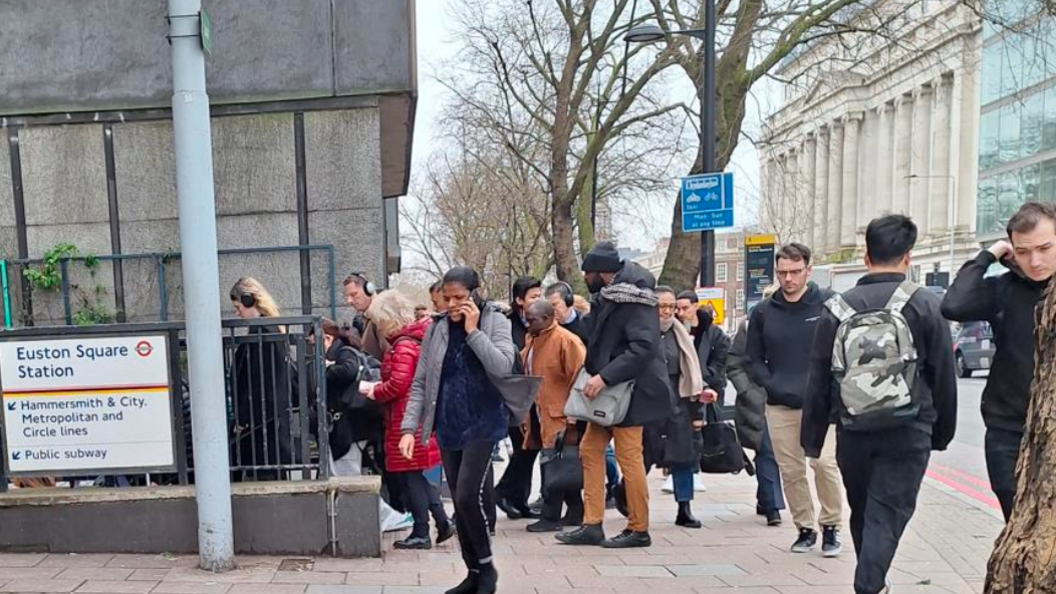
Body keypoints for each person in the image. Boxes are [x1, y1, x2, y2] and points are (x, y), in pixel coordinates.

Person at [804, 215, 957, 594]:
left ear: (866, 255)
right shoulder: (923, 303)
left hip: (854, 429)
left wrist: (813, 437)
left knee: (866, 510)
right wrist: (941, 431)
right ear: (908, 256)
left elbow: (819, 375)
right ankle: (869, 584)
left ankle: (873, 582)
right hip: (909, 428)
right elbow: (943, 374)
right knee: (888, 512)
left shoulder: (837, 308)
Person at [401, 266, 536, 594]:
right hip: (448, 422)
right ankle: (472, 571)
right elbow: (421, 381)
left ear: (475, 293)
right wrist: (409, 427)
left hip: (484, 420)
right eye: (447, 298)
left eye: (459, 297)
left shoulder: (496, 320)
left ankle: (487, 570)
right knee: (460, 504)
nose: (452, 304)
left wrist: (475, 332)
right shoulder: (436, 329)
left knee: (466, 495)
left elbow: (503, 366)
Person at [941, 201, 1056, 521]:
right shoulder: (1004, 289)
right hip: (1009, 430)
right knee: (1018, 527)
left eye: (1045, 248)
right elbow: (954, 305)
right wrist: (987, 256)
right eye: (1022, 251)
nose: (1035, 260)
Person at [556, 241, 670, 549]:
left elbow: (643, 347)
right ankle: (592, 524)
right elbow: (595, 332)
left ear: (601, 272)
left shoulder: (635, 299)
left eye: (587, 272)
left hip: (630, 393)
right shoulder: (609, 296)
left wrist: (604, 377)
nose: (584, 277)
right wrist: (567, 318)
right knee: (590, 450)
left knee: (628, 457)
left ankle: (638, 528)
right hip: (610, 394)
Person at [746, 244, 844, 556]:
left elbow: (843, 350)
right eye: (782, 272)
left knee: (824, 463)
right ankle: (805, 527)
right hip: (780, 403)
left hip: (822, 403)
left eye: (794, 272)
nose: (788, 279)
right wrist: (770, 384)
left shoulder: (829, 303)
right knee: (790, 469)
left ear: (808, 270)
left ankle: (831, 526)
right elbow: (752, 358)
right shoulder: (763, 312)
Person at [362, 291, 455, 550]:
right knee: (418, 476)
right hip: (412, 419)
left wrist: (374, 390)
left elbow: (400, 385)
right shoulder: (413, 340)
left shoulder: (402, 345)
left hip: (405, 421)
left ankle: (422, 531)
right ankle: (441, 522)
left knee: (410, 478)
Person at [519, 299, 587, 532]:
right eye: (526, 319)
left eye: (532, 320)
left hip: (561, 415)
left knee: (553, 464)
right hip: (540, 413)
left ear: (548, 318)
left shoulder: (565, 341)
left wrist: (573, 417)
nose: (527, 324)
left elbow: (579, 378)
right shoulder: (534, 339)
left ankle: (550, 516)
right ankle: (576, 511)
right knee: (558, 464)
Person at [643, 286, 707, 528]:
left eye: (671, 306)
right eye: (662, 306)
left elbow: (692, 371)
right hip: (648, 401)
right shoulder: (642, 332)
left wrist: (699, 399)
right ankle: (627, 497)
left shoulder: (680, 333)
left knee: (683, 457)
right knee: (642, 456)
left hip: (677, 400)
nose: (668, 311)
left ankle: (684, 507)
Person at [728, 285, 785, 527]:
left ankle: (765, 497)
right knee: (767, 451)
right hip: (757, 401)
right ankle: (773, 506)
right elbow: (734, 363)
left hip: (786, 399)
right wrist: (746, 390)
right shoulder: (748, 328)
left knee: (781, 454)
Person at [229, 277, 295, 481]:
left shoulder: (262, 333)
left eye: (238, 306)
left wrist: (243, 419)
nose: (237, 312)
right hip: (269, 424)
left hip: (260, 427)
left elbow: (257, 382)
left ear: (249, 301)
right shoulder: (272, 329)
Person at [496, 277, 545, 520]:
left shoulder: (540, 324)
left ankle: (518, 499)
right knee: (524, 447)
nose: (539, 300)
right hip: (515, 397)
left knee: (530, 448)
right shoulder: (506, 326)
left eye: (540, 295)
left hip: (537, 397)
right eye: (533, 296)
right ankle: (504, 491)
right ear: (519, 300)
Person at [674, 290, 730, 495]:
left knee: (699, 427)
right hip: (682, 388)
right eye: (677, 309)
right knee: (682, 430)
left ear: (695, 306)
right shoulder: (675, 330)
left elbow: (721, 359)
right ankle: (679, 471)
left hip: (705, 387)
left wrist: (705, 378)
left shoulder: (713, 333)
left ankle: (695, 469)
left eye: (685, 308)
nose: (681, 313)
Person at [345, 272, 390, 360]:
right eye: (347, 296)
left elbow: (390, 356)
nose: (349, 301)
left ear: (369, 290)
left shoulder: (380, 318)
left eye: (354, 294)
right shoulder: (368, 318)